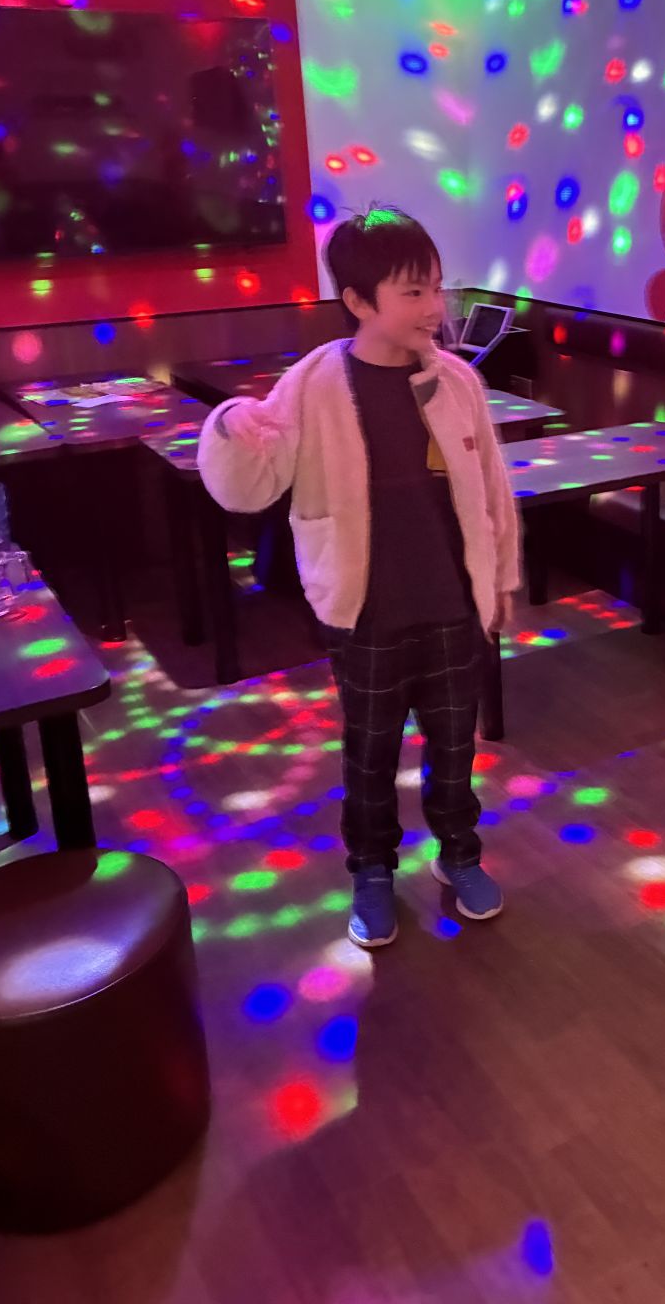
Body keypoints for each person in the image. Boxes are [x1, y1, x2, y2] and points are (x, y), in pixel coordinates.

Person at [197, 206, 521, 947]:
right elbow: (251, 485)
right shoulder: (314, 382)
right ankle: (371, 870)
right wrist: (232, 428)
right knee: (370, 753)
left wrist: (500, 579)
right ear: (357, 301)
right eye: (413, 292)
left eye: (437, 287)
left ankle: (459, 854)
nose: (435, 308)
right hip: (365, 611)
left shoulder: (458, 381)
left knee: (454, 749)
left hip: (454, 605)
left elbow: (492, 491)